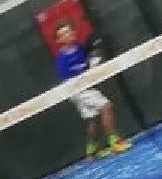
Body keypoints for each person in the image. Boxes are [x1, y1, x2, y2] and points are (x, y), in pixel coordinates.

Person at [53, 20, 130, 159]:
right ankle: (115, 143)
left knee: (93, 119)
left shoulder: (80, 48)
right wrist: (87, 74)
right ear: (59, 40)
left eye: (68, 31)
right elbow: (70, 81)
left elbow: (90, 62)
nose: (67, 35)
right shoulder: (61, 59)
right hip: (77, 91)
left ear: (73, 32)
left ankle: (92, 151)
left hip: (87, 87)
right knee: (106, 107)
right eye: (63, 34)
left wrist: (95, 61)